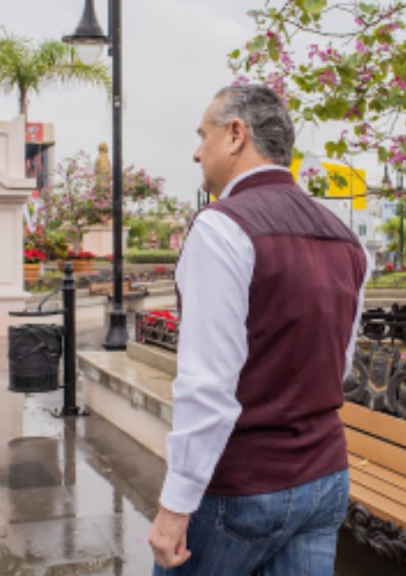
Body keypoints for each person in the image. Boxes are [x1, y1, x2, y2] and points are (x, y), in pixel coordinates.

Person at [148, 85, 371, 576]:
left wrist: (174, 506)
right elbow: (341, 365)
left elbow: (207, 386)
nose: (195, 151)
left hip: (245, 487)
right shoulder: (346, 238)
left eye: (201, 134)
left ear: (235, 134)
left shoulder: (221, 227)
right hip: (325, 478)